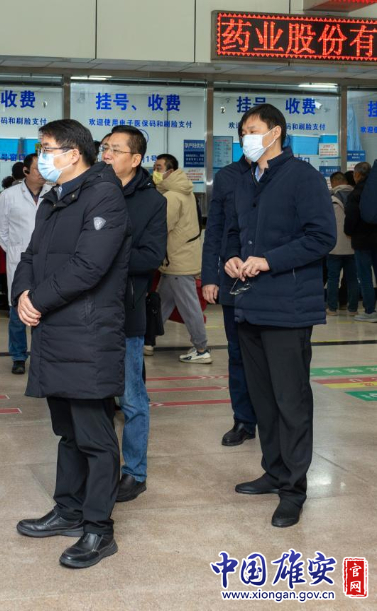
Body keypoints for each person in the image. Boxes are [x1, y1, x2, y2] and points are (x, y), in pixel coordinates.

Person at [13, 119, 129, 570]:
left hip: (87, 333)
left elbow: (88, 266)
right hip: (54, 330)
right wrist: (22, 295)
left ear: (73, 153)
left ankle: (99, 528)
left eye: (47, 149)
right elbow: (30, 256)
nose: (40, 157)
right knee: (67, 431)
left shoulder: (103, 196)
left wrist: (37, 300)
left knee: (95, 436)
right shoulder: (55, 198)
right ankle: (69, 509)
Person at [224, 104, 335, 528]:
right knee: (264, 399)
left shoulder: (302, 177)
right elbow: (234, 233)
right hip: (249, 304)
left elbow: (321, 236)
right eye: (242, 132)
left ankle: (294, 489)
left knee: (291, 401)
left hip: (288, 307)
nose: (246, 138)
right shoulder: (245, 180)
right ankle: (274, 471)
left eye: (252, 130)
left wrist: (269, 260)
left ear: (275, 133)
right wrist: (231, 258)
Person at [100, 126, 167, 502]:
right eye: (105, 148)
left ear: (136, 159)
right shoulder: (91, 189)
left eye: (115, 149)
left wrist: (104, 256)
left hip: (127, 309)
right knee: (93, 397)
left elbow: (151, 257)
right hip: (87, 310)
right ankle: (100, 468)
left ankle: (135, 472)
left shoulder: (152, 202)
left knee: (131, 397)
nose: (107, 154)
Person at [201, 136, 257, 447]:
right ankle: (244, 419)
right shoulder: (227, 177)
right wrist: (210, 276)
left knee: (269, 356)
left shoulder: (284, 175)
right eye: (246, 133)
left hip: (271, 278)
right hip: (233, 278)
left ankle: (273, 417)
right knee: (237, 353)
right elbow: (215, 229)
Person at [0, 153, 51, 375]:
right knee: (17, 310)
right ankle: (18, 356)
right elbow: (1, 231)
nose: (42, 173)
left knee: (45, 309)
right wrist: (15, 251)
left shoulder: (53, 193)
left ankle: (42, 355)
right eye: (37, 169)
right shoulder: (9, 195)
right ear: (25, 171)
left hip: (48, 260)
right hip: (18, 261)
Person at [151, 153, 211, 364]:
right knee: (162, 304)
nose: (155, 172)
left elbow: (161, 227)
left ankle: (201, 348)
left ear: (170, 171)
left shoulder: (172, 197)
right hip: (178, 258)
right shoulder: (184, 192)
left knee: (189, 307)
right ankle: (148, 340)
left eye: (159, 168)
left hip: (178, 260)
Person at [344, 162, 377, 323]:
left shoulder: (356, 193)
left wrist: (349, 232)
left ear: (357, 175)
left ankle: (370, 311)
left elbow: (351, 218)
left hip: (362, 241)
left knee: (365, 277)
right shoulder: (373, 190)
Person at [327, 172, 359, 316]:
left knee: (333, 279)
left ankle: (332, 308)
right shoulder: (357, 196)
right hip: (353, 246)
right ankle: (352, 309)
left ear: (334, 182)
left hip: (334, 247)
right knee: (352, 279)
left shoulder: (331, 199)